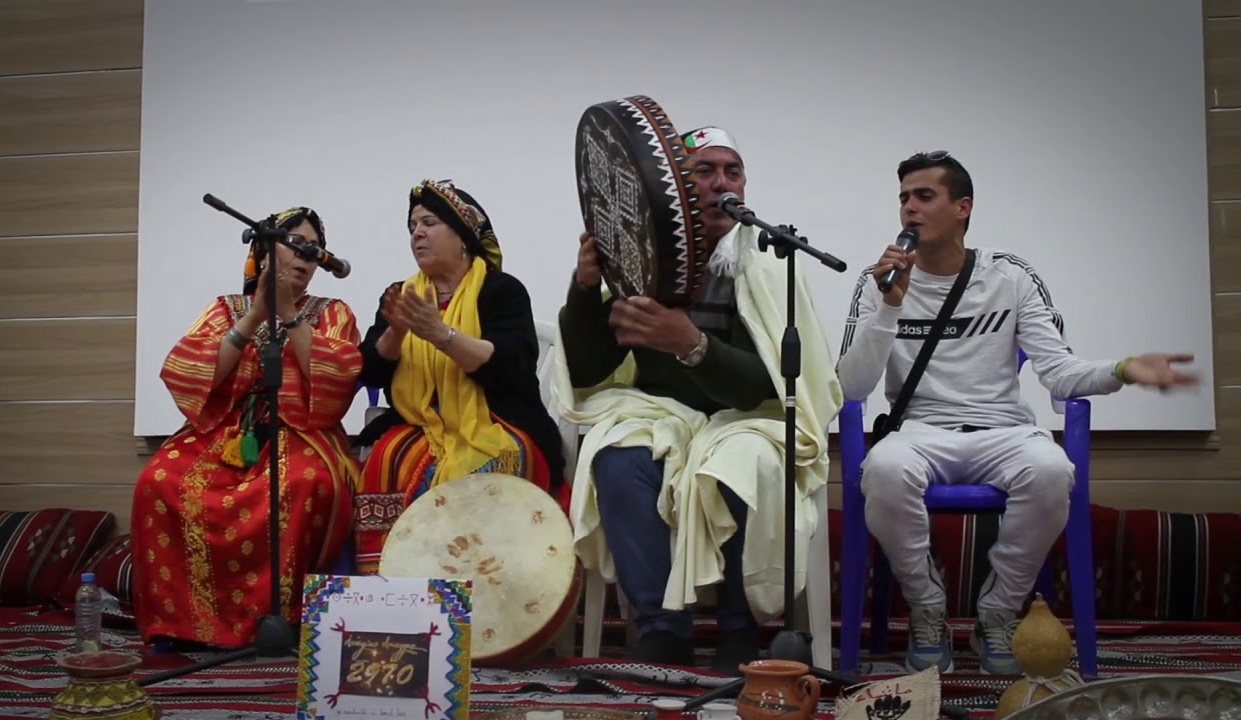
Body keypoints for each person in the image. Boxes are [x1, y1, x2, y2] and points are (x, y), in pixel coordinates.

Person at [837, 150, 1200, 674]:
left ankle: (997, 613)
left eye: (924, 196)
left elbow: (1060, 372)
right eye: (903, 199)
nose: (909, 210)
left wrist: (1123, 369)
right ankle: (928, 607)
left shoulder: (1010, 278)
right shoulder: (878, 284)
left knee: (1052, 471)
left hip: (1002, 429)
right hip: (919, 430)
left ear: (962, 207)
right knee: (886, 471)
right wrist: (891, 305)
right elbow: (851, 386)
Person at [551, 127, 842, 672]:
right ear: (677, 186)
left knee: (740, 462)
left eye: (733, 172)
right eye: (704, 171)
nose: (720, 183)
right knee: (618, 460)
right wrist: (586, 288)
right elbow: (590, 367)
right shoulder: (640, 256)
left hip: (747, 418)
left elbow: (771, 384)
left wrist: (693, 347)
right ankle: (663, 628)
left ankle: (739, 629)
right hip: (662, 414)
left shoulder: (770, 260)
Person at [131, 207, 363, 648]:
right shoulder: (224, 309)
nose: (304, 259)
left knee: (301, 483)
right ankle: (183, 626)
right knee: (157, 481)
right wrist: (256, 314)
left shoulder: (332, 312)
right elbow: (192, 372)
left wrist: (289, 314)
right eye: (294, 246)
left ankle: (281, 624)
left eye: (312, 253)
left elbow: (334, 381)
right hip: (222, 436)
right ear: (262, 250)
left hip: (300, 435)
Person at [354, 179, 566, 574]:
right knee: (388, 461)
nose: (417, 232)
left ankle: (475, 593)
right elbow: (369, 371)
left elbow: (512, 366)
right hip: (419, 423)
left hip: (496, 420)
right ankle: (390, 590)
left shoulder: (501, 290)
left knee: (488, 465)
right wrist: (396, 331)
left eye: (429, 222)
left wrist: (442, 335)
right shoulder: (404, 293)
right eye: (412, 226)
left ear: (463, 235)